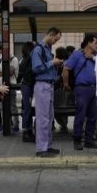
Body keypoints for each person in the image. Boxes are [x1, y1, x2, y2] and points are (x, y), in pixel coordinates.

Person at [31, 27, 63, 158]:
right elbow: (36, 68)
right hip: (42, 85)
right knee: (43, 118)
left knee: (49, 118)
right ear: (50, 34)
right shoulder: (38, 49)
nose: (55, 42)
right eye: (56, 39)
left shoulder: (47, 49)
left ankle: (47, 146)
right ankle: (41, 148)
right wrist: (52, 62)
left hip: (48, 85)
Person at [63, 35, 97, 151]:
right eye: (95, 43)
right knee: (80, 115)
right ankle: (77, 140)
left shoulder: (96, 56)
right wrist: (66, 84)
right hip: (81, 88)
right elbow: (66, 68)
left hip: (94, 88)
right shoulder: (77, 54)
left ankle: (89, 140)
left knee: (93, 116)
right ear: (89, 42)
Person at [18, 41, 36, 143]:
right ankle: (27, 132)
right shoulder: (30, 59)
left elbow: (19, 74)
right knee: (28, 109)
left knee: (27, 109)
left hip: (25, 85)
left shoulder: (23, 60)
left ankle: (27, 131)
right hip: (29, 86)